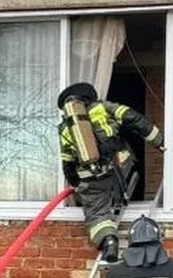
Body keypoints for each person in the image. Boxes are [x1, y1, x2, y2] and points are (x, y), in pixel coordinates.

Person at [57, 82, 165, 262]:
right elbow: (134, 119)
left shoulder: (65, 127)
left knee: (97, 213)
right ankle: (129, 192)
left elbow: (67, 162)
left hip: (91, 179)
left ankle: (109, 241)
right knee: (128, 161)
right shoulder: (104, 108)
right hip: (120, 167)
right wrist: (159, 141)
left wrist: (76, 184)